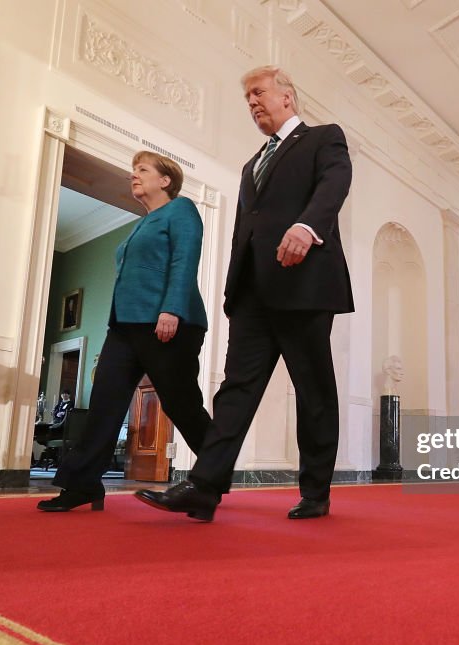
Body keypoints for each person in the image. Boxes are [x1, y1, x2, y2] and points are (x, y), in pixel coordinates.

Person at [136, 65, 353, 521]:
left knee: (313, 392)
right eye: (247, 98)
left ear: (287, 98)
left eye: (258, 93)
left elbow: (334, 185)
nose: (252, 102)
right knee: (234, 391)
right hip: (253, 295)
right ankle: (204, 486)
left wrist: (308, 225)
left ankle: (315, 492)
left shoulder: (323, 138)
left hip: (303, 285)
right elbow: (244, 229)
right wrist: (233, 288)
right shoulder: (251, 163)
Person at [38, 151, 210, 512]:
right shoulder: (141, 224)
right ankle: (81, 485)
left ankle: (213, 477)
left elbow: (185, 260)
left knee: (183, 407)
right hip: (125, 327)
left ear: (165, 180)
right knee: (104, 405)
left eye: (142, 170)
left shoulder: (182, 210)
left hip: (168, 321)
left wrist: (172, 308)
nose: (134, 175)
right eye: (133, 170)